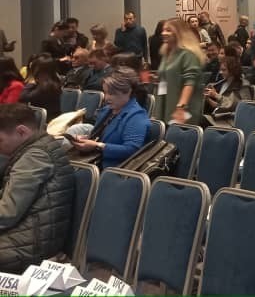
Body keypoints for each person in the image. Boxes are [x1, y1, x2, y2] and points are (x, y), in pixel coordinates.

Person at [0, 103, 74, 273]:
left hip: (30, 245)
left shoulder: (35, 155)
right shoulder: (40, 147)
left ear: (22, 132)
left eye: (0, 140)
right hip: (26, 235)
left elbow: (7, 213)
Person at [70, 69, 150, 169]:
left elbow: (131, 150)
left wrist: (97, 146)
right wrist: (87, 139)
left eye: (112, 94)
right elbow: (101, 137)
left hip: (114, 170)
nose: (106, 98)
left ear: (128, 92)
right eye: (105, 92)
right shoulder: (107, 110)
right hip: (93, 164)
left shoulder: (137, 116)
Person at [156, 18, 206, 125]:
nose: (163, 33)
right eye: (163, 30)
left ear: (179, 32)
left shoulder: (188, 54)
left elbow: (190, 83)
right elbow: (164, 81)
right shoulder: (166, 54)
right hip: (166, 106)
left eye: (168, 30)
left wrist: (181, 107)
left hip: (182, 111)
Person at [204, 56, 253, 122]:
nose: (220, 72)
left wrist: (216, 95)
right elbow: (220, 107)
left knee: (201, 121)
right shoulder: (222, 83)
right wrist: (208, 99)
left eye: (224, 70)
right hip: (220, 116)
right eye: (220, 70)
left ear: (232, 70)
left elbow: (242, 106)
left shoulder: (243, 85)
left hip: (232, 120)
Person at [19, 55, 61, 120]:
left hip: (47, 121)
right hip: (39, 119)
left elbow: (23, 97)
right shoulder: (50, 81)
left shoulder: (48, 85)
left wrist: (31, 82)